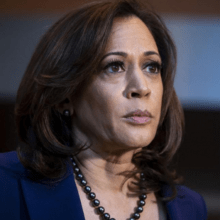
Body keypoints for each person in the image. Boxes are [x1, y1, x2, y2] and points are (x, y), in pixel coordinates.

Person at [0, 0, 207, 219]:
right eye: (114, 66)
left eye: (151, 67)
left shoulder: (190, 208)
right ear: (65, 96)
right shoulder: (6, 185)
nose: (141, 87)